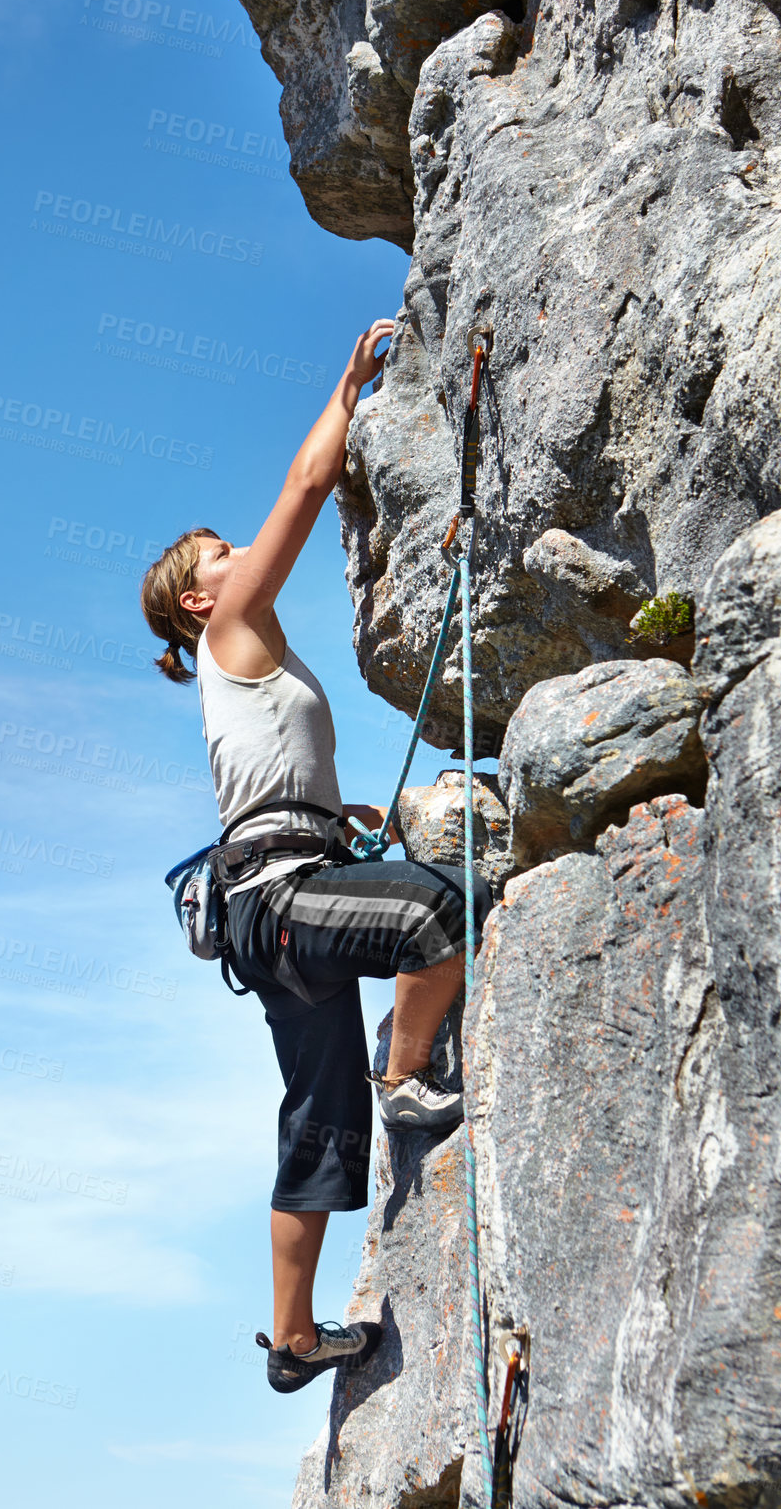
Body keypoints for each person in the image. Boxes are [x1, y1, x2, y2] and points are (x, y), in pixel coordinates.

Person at [140, 318, 490, 1395]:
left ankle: (292, 1339)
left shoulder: (256, 657)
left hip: (282, 897)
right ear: (202, 597)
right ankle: (406, 1070)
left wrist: (347, 827)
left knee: (316, 1121)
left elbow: (273, 791)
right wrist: (344, 390)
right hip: (284, 900)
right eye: (220, 558)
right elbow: (299, 491)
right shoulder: (229, 628)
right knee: (442, 912)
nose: (239, 559)